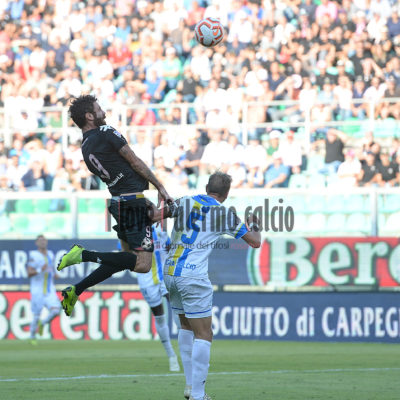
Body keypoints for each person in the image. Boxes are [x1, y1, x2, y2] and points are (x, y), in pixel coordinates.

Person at [57, 95, 172, 317]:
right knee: (142, 265)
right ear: (90, 116)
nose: (104, 112)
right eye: (99, 109)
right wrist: (160, 186)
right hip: (131, 202)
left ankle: (76, 289)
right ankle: (83, 255)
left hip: (119, 202)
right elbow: (134, 160)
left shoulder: (85, 147)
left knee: (123, 261)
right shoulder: (106, 132)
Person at [149, 172, 261, 400]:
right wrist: (255, 224)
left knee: (186, 327)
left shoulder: (185, 201)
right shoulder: (224, 213)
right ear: (226, 194)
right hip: (193, 276)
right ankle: (198, 395)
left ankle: (191, 387)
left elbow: (156, 216)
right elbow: (255, 241)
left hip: (170, 272)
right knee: (204, 333)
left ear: (206, 187)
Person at [134, 224, 180, 372]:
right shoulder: (134, 230)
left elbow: (170, 248)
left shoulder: (161, 229)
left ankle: (187, 349)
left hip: (166, 276)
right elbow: (128, 250)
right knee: (160, 317)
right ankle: (171, 355)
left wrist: (170, 246)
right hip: (147, 280)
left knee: (177, 307)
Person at [27, 235, 61, 344]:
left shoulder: (50, 254)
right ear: (36, 243)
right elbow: (29, 273)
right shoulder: (34, 255)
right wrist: (39, 269)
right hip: (37, 290)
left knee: (56, 310)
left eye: (44, 240)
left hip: (50, 290)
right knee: (36, 315)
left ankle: (42, 323)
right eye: (40, 240)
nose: (42, 242)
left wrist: (55, 274)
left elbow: (50, 269)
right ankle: (32, 337)